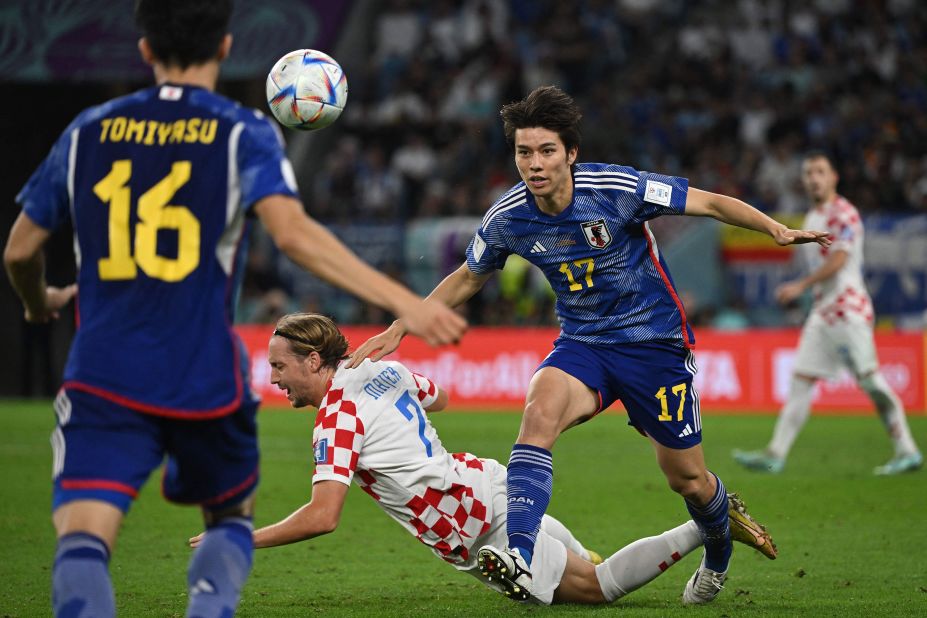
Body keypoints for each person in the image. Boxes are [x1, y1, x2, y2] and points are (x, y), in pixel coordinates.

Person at [2, 2, 465, 616]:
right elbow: (294, 235)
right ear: (225, 47)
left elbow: (19, 251)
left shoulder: (89, 129)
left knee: (83, 540)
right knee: (227, 522)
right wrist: (406, 303)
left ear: (144, 51)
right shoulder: (242, 131)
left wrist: (39, 303)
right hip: (201, 372)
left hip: (103, 370)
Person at [348, 85, 828, 604]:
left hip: (654, 346)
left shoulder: (617, 188)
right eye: (523, 152)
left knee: (687, 480)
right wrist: (402, 325)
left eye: (546, 151)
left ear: (571, 153)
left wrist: (775, 229)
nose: (534, 164)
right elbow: (470, 275)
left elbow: (708, 202)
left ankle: (717, 550)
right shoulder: (507, 217)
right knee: (538, 414)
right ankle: (521, 555)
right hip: (584, 344)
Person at [190, 312, 777, 606]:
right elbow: (440, 395)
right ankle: (705, 523)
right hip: (484, 480)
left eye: (281, 367)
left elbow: (323, 516)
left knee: (596, 589)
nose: (274, 380)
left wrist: (239, 536)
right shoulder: (379, 371)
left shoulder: (336, 420)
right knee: (581, 561)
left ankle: (707, 527)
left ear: (315, 361)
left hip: (472, 523)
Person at [733, 152, 923, 476]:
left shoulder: (844, 213)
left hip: (848, 309)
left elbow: (837, 260)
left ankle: (907, 450)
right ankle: (775, 454)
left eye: (820, 172)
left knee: (871, 381)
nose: (813, 178)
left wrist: (800, 286)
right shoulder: (813, 217)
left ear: (834, 177)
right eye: (808, 173)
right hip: (823, 313)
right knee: (801, 380)